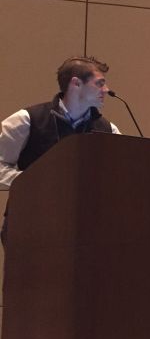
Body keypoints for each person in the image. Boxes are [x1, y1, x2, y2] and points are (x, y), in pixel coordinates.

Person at [0, 56, 120, 242]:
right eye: (99, 83)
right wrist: (37, 182)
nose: (106, 90)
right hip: (29, 224)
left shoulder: (108, 129)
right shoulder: (27, 120)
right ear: (76, 83)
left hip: (83, 229)